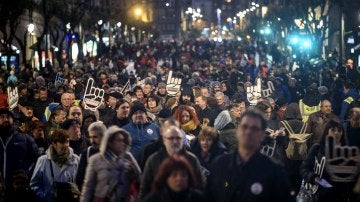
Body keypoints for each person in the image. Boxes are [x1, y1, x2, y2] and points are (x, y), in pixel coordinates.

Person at [206, 110, 292, 202]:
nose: (248, 132)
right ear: (238, 130)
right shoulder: (220, 165)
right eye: (244, 127)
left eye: (254, 128)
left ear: (263, 134)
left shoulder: (274, 171)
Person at [139, 125, 205, 199]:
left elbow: (201, 185)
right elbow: (144, 188)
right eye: (171, 138)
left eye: (178, 138)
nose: (175, 141)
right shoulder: (153, 159)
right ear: (164, 140)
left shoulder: (192, 159)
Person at [300, 120, 358, 202]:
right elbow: (304, 169)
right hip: (320, 193)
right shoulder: (317, 148)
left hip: (341, 195)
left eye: (339, 130)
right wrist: (316, 179)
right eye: (333, 130)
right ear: (327, 132)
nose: (336, 133)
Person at [80, 126, 141, 202]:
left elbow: (140, 180)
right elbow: (88, 187)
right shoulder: (96, 160)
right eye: (119, 140)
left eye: (123, 140)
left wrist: (133, 173)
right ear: (109, 142)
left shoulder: (128, 157)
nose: (122, 143)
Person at [30, 129, 80, 202]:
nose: (65, 145)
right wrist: (45, 197)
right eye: (62, 142)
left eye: (67, 142)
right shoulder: (43, 161)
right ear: (54, 144)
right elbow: (34, 185)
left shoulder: (76, 159)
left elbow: (81, 182)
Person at [0, 108, 40, 197]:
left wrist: (28, 173)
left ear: (13, 120)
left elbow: (38, 161)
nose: (5, 119)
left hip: (20, 189)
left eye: (8, 117)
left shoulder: (25, 138)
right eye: (2, 117)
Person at [76, 121, 106, 190]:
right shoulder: (86, 153)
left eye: (95, 137)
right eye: (90, 137)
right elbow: (79, 179)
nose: (92, 141)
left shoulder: (112, 152)